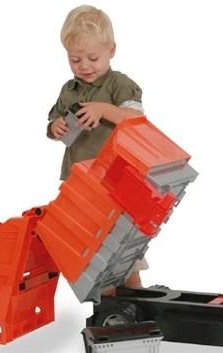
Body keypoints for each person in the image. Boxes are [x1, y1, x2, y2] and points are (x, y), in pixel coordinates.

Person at [46, 4, 148, 290]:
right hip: (78, 179)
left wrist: (103, 109)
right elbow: (53, 122)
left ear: (111, 51)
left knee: (121, 239)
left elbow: (135, 118)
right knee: (90, 242)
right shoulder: (69, 90)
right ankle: (107, 297)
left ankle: (134, 292)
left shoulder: (119, 84)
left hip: (113, 177)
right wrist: (55, 127)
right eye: (75, 59)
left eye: (93, 58)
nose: (85, 66)